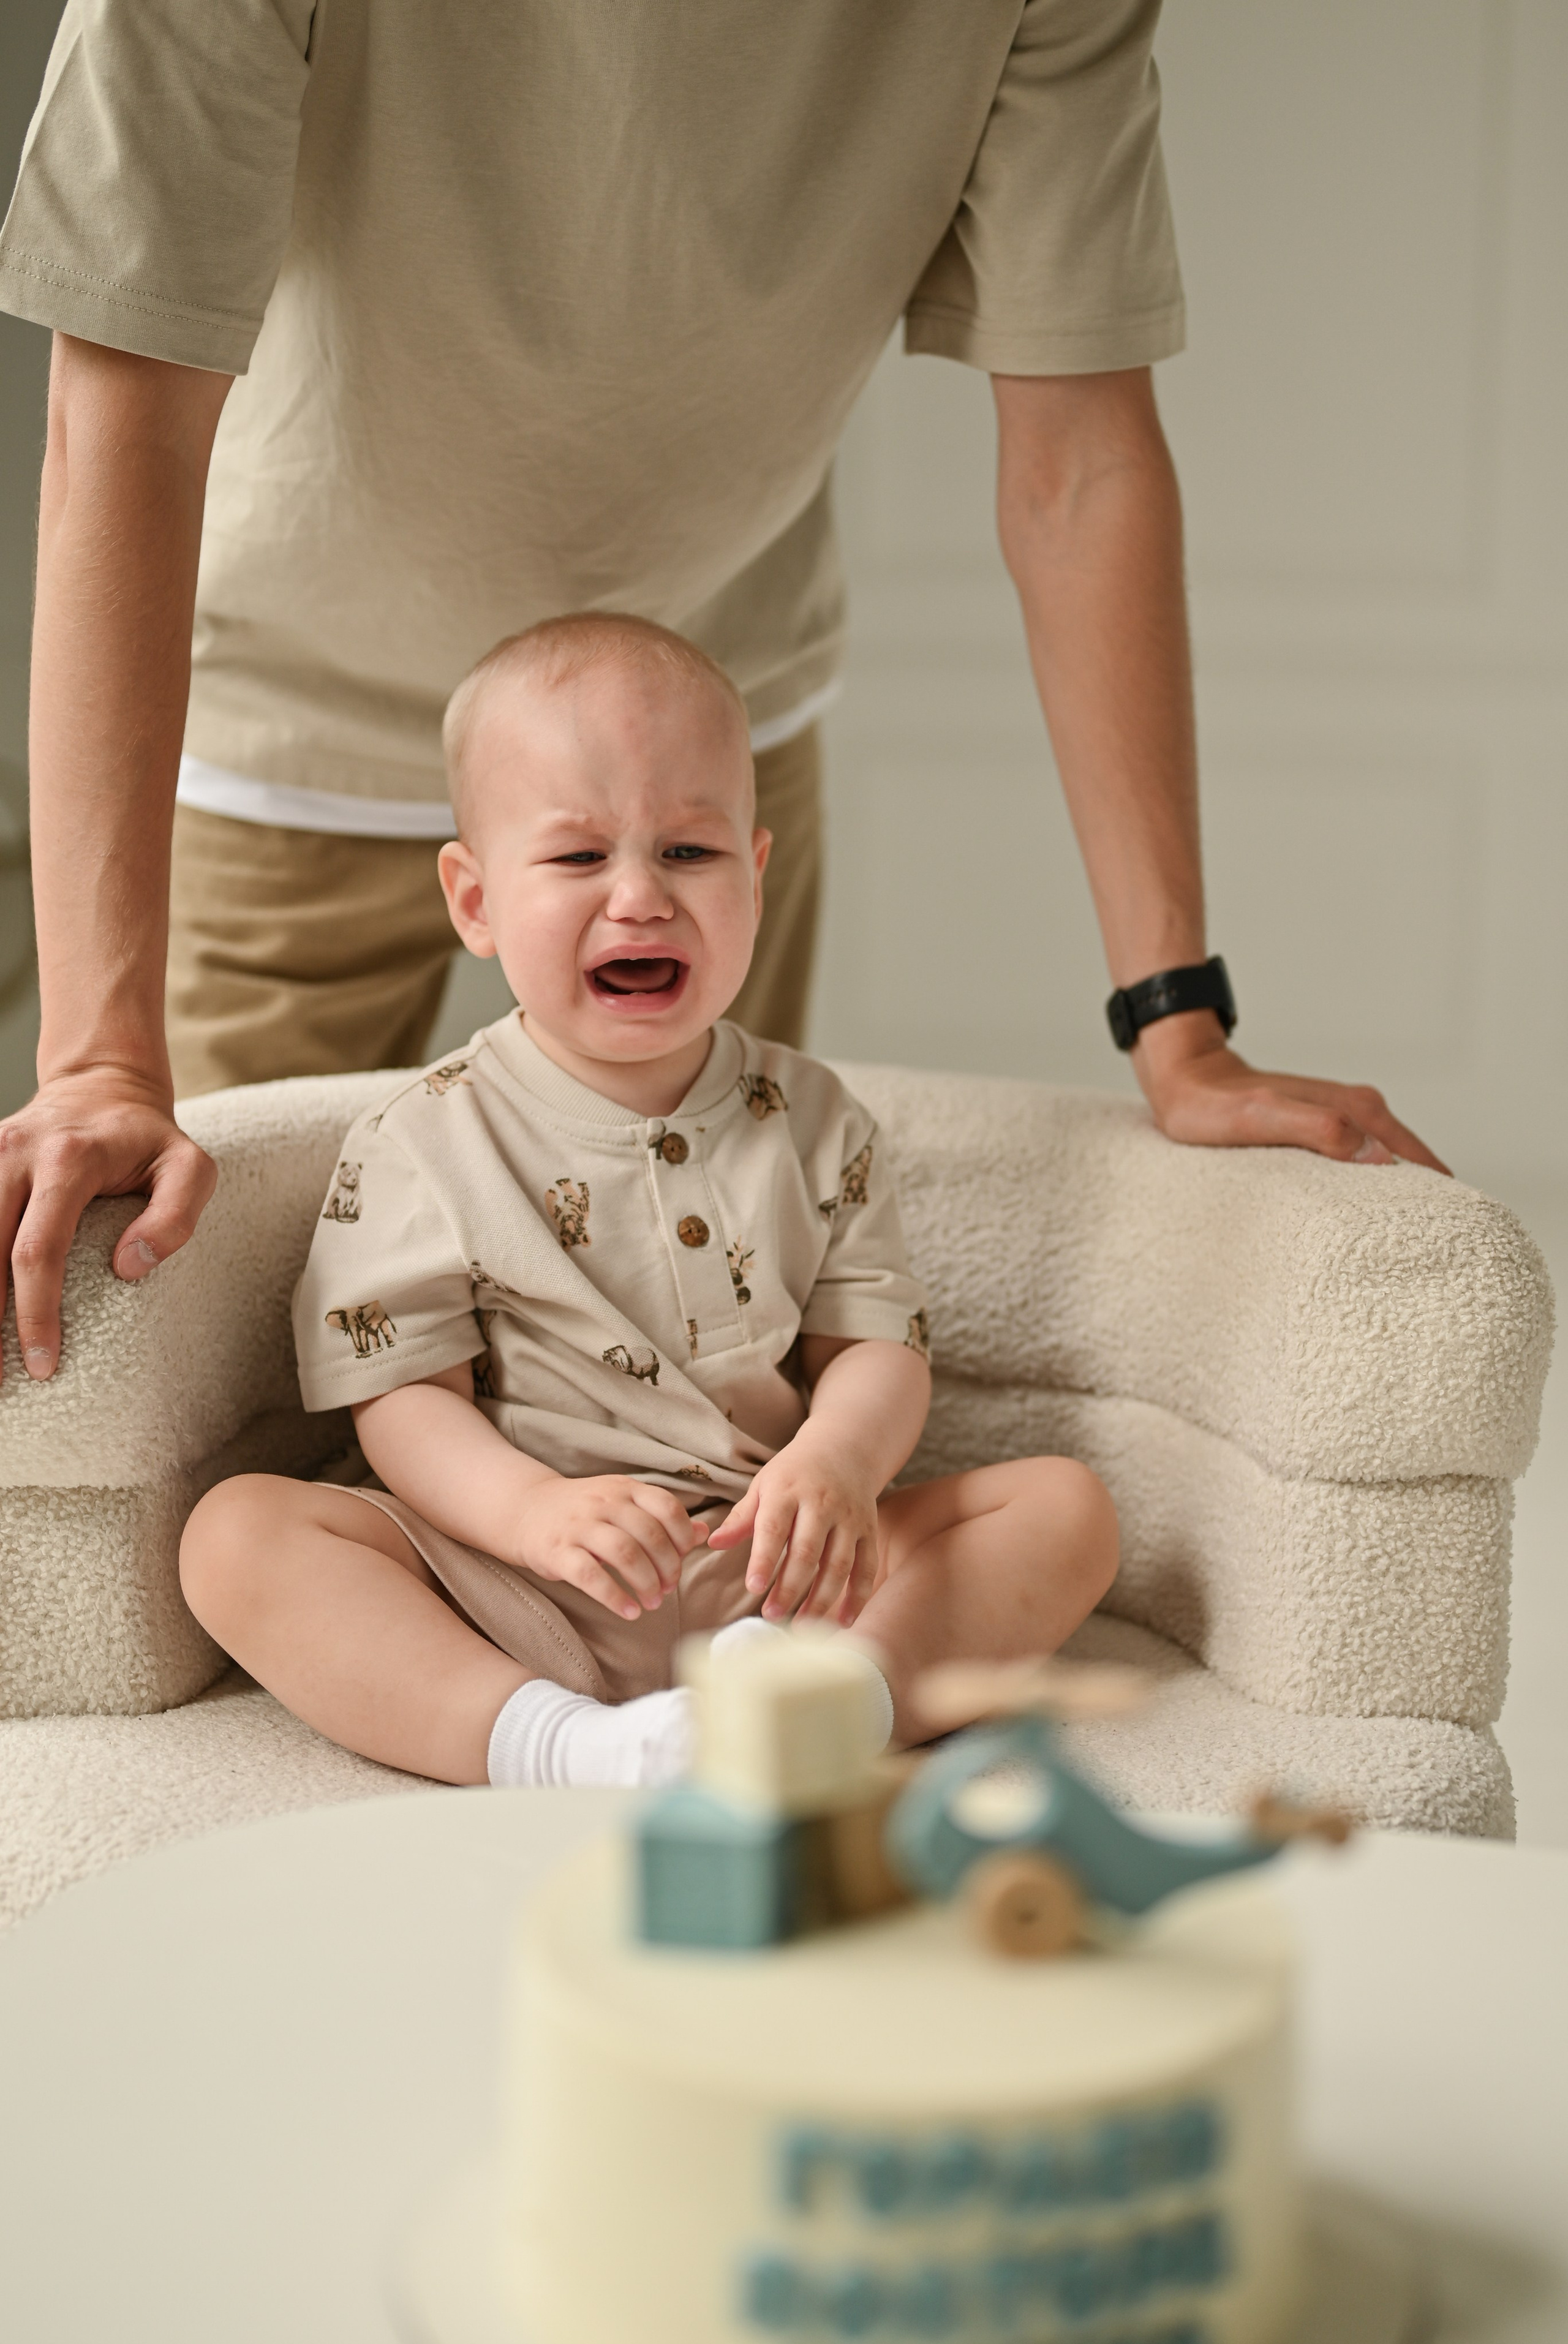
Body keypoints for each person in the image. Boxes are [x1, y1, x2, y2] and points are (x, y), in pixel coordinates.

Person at [0, 0, 1446, 1389]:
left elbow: (1080, 463)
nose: (621, 903)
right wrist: (100, 1061)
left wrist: (1176, 1020)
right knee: (229, 1378)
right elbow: (121, 410)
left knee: (713, 1342)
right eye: (575, 872)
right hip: (287, 728)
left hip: (708, 731)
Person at [176, 616, 1120, 1786]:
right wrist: (529, 1517)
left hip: (772, 1568)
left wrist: (836, 1463)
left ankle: (834, 1711)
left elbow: (875, 1343)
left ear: (756, 875)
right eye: (577, 859)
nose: (639, 898)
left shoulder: (814, 1117)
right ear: (474, 900)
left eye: (689, 854)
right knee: (238, 1537)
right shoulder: (425, 1137)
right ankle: (558, 1746)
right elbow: (402, 1399)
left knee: (1063, 1507)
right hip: (519, 1581)